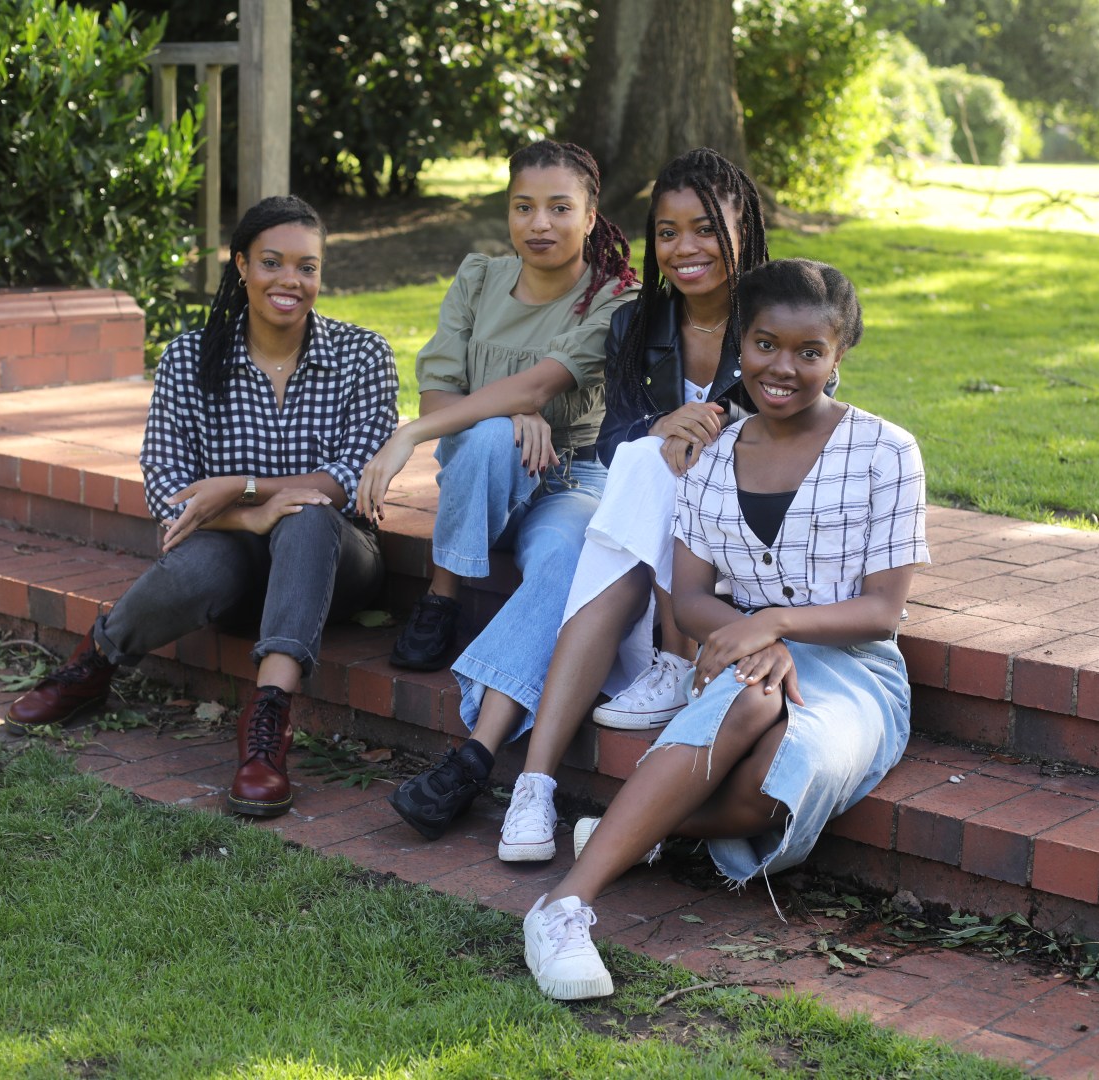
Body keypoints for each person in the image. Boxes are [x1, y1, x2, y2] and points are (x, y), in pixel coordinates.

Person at [521, 259, 929, 1000]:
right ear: (741, 341)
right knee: (748, 700)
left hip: (857, 668)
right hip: (744, 656)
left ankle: (643, 829)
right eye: (767, 344)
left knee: (780, 779)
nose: (784, 367)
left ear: (839, 356)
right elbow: (688, 599)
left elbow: (882, 611)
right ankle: (563, 907)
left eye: (811, 352)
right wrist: (758, 639)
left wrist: (771, 622)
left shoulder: (885, 452)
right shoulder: (709, 459)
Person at [4, 196, 398, 820]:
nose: (290, 281)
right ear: (241, 264)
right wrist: (248, 517)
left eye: (308, 267)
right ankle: (94, 666)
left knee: (310, 513)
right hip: (234, 554)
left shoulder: (362, 356)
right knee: (200, 563)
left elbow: (349, 480)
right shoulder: (189, 358)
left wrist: (240, 487)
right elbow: (166, 485)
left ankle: (267, 728)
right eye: (272, 262)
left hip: (337, 562)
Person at [492, 147, 774, 863]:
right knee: (644, 465)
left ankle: (537, 776)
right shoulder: (636, 326)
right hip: (655, 535)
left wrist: (715, 434)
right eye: (669, 231)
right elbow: (616, 437)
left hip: (758, 530)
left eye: (706, 228)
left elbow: (809, 425)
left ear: (744, 228)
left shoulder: (781, 314)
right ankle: (535, 791)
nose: (685, 249)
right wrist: (659, 428)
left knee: (644, 479)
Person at [354, 140, 639, 839]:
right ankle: (444, 598)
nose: (539, 223)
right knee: (484, 435)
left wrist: (416, 437)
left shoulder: (611, 297)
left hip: (570, 480)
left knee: (572, 566)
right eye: (523, 207)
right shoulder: (480, 278)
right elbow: (440, 394)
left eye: (558, 208)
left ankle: (475, 757)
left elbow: (544, 385)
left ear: (590, 213)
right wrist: (502, 415)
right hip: (484, 479)